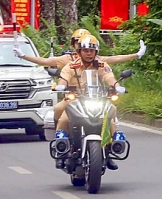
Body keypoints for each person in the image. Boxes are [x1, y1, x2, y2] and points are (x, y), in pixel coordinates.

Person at [54, 35, 126, 170]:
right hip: (74, 99)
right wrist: (61, 86)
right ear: (79, 52)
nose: (88, 53)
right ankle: (61, 150)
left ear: (96, 52)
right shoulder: (71, 66)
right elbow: (63, 79)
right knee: (61, 113)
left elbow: (109, 77)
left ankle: (109, 151)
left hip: (96, 99)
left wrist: (116, 86)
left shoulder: (101, 65)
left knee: (110, 115)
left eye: (91, 51)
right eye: (85, 50)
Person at [14, 28, 146, 68]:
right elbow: (44, 62)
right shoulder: (67, 59)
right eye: (78, 43)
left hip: (94, 96)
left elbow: (115, 59)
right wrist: (23, 56)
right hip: (73, 97)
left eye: (90, 48)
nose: (86, 50)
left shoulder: (97, 60)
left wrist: (136, 55)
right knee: (61, 112)